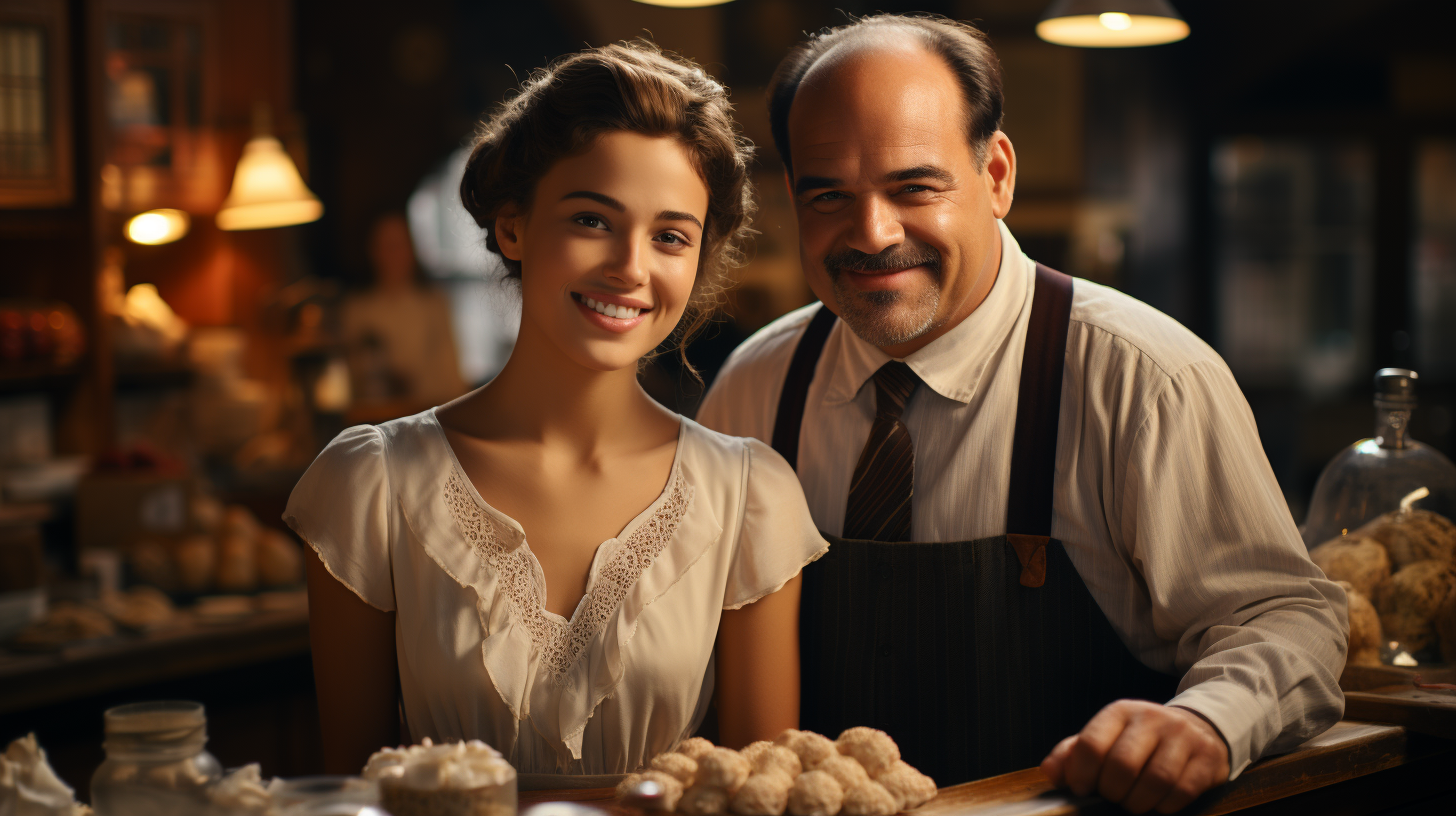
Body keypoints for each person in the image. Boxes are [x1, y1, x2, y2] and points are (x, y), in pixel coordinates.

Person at [696, 14, 1347, 815]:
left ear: (996, 174)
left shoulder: (1142, 377)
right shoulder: (757, 384)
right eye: (830, 195)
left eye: (914, 186)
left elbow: (1285, 618)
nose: (872, 233)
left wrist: (1208, 721)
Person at [287, 42, 827, 778]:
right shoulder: (371, 485)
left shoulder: (747, 496)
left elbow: (757, 796)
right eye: (592, 221)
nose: (631, 267)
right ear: (513, 226)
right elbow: (354, 792)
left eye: (671, 237)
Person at [341, 211, 467, 405]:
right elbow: (349, 381)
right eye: (385, 246)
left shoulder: (433, 306)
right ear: (372, 251)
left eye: (399, 245)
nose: (393, 255)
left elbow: (452, 379)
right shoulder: (357, 311)